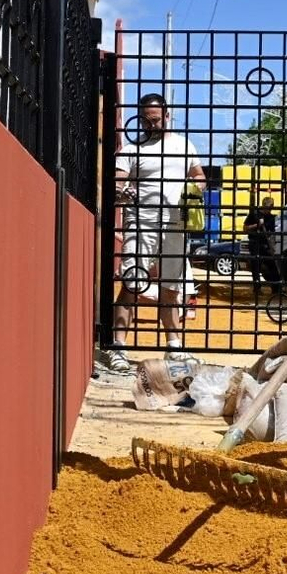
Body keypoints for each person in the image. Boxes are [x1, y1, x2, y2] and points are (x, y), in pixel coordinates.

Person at [104, 94, 204, 369]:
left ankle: (174, 347)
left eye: (156, 119)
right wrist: (123, 191)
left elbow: (199, 175)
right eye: (146, 121)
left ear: (167, 116)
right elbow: (117, 182)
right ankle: (119, 348)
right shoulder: (131, 149)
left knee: (171, 287)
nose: (151, 125)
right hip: (142, 223)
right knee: (132, 283)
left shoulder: (184, 145)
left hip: (175, 224)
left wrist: (195, 189)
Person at [242, 197, 281, 296]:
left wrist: (272, 246)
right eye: (269, 207)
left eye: (271, 207)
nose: (270, 209)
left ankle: (276, 288)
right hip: (255, 243)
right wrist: (257, 225)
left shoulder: (271, 218)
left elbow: (272, 233)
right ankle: (257, 289)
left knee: (272, 265)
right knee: (256, 267)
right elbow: (245, 228)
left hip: (265, 244)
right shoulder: (254, 214)